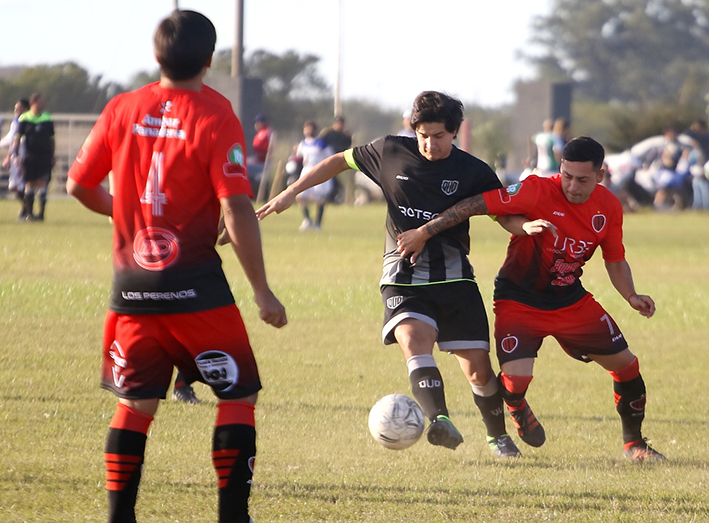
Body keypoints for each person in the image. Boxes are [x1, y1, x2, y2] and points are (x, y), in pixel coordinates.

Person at [65, 10, 287, 523]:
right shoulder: (215, 113)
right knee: (238, 392)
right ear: (210, 60)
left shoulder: (122, 107)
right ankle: (233, 516)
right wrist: (262, 291)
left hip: (132, 288)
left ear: (156, 54)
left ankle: (120, 516)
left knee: (136, 404)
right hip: (196, 289)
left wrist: (123, 213)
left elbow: (78, 185)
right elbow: (234, 207)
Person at [257, 91, 533, 458]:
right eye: (423, 135)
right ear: (412, 129)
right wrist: (291, 192)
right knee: (412, 338)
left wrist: (524, 227)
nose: (429, 143)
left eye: (438, 136)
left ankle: (497, 436)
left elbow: (501, 211)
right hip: (402, 273)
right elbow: (340, 161)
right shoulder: (389, 150)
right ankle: (439, 419)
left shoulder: (474, 171)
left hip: (455, 278)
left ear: (454, 132)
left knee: (479, 372)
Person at [397, 136, 666, 462]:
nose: (572, 186)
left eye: (582, 179)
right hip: (519, 299)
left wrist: (631, 295)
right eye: (566, 175)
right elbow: (476, 205)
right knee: (518, 378)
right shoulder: (536, 189)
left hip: (569, 300)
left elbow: (615, 259)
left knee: (627, 367)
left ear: (601, 175)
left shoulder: (609, 207)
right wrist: (425, 232)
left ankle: (634, 445)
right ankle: (516, 405)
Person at [11, 93, 54, 221]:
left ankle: (41, 214)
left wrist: (52, 155)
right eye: (40, 102)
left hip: (45, 156)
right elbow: (17, 138)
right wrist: (15, 154)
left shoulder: (47, 118)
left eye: (43, 102)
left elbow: (52, 139)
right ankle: (29, 214)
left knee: (43, 182)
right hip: (30, 156)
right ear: (33, 103)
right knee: (29, 183)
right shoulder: (24, 118)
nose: (42, 104)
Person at [294, 120, 334, 231]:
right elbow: (299, 156)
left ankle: (318, 224)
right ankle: (307, 220)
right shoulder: (303, 144)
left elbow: (330, 157)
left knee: (320, 198)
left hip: (319, 171)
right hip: (306, 171)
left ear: (315, 130)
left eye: (310, 129)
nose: (307, 131)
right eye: (305, 129)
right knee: (300, 196)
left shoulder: (321, 143)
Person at [1, 98, 30, 218]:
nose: (16, 110)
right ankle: (26, 208)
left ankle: (27, 210)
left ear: (26, 109)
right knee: (14, 186)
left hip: (23, 156)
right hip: (15, 156)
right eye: (15, 108)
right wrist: (9, 156)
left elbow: (18, 141)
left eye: (19, 107)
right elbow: (12, 140)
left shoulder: (27, 122)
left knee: (21, 184)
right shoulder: (15, 121)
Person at [247, 113, 273, 197]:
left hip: (264, 161)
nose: (256, 125)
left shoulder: (267, 132)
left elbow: (271, 146)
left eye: (257, 122)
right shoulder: (260, 133)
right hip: (257, 159)